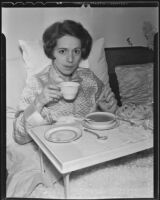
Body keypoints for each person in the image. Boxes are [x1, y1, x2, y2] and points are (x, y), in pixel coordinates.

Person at [7, 20, 117, 197]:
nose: (71, 59)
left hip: (90, 153)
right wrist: (39, 102)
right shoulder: (37, 83)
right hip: (52, 157)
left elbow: (111, 117)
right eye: (63, 51)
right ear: (52, 52)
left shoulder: (90, 78)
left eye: (76, 51)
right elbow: (19, 136)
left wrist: (109, 111)